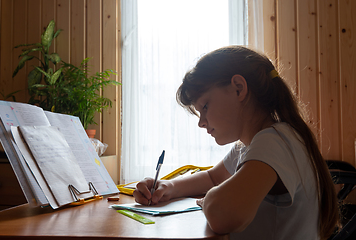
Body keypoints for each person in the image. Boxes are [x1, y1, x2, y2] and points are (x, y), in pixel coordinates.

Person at [133, 45, 339, 240]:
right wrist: (167, 186)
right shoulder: (252, 143)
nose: (201, 123)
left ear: (239, 88)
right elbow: (213, 178)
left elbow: (224, 214)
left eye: (204, 107)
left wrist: (210, 200)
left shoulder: (274, 141)